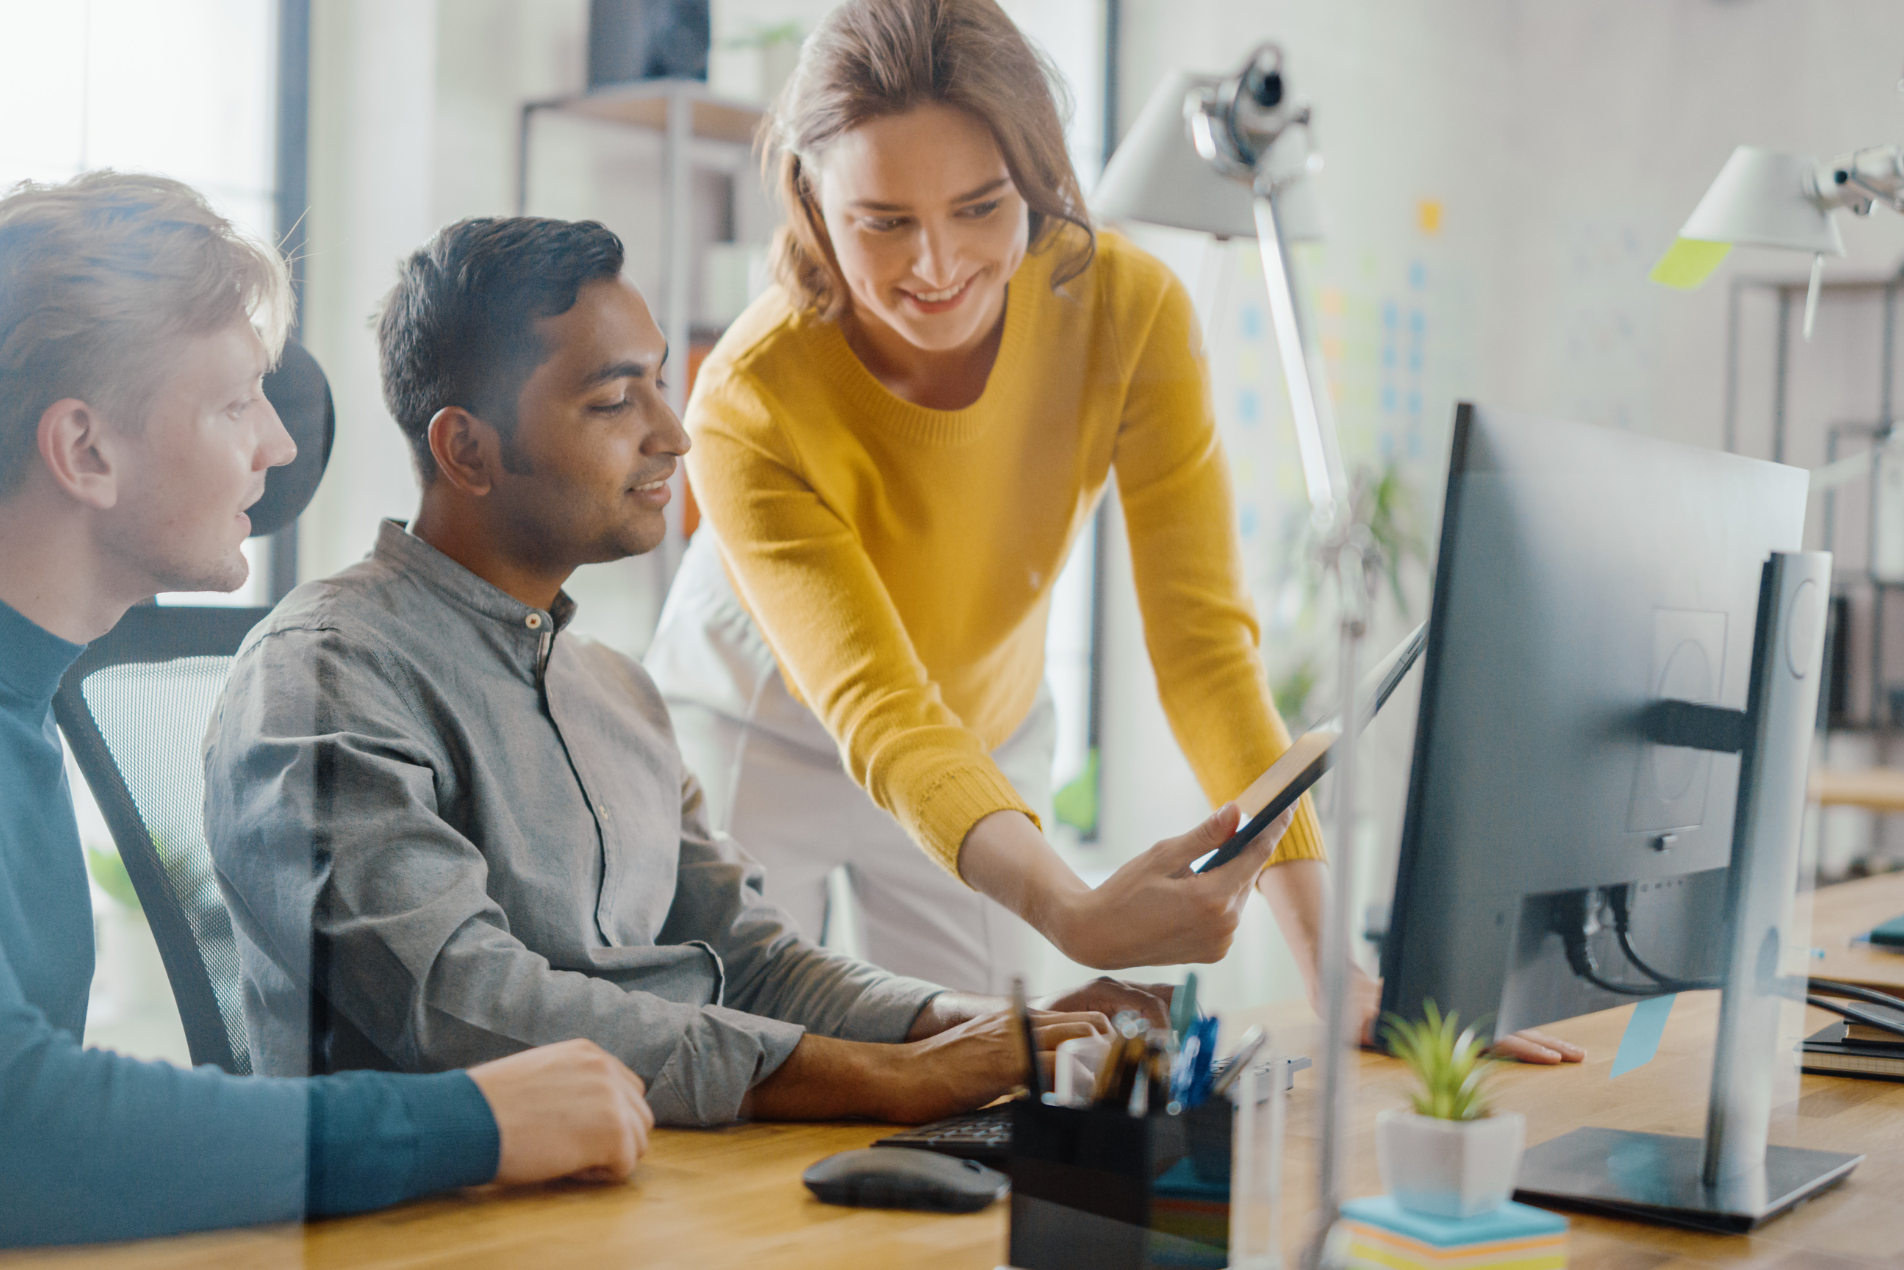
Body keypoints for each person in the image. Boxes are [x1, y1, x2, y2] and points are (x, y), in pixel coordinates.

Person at [644, 0, 1581, 1065]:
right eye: (883, 221)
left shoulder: (1126, 314)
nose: (938, 265)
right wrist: (1077, 916)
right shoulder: (747, 398)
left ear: (1038, 180)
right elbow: (881, 709)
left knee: (984, 1083)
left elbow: (1202, 652)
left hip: (981, 737)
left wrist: (1334, 973)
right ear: (810, 194)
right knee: (750, 1064)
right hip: (766, 728)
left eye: (980, 206)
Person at [204, 214, 1158, 1128]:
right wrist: (886, 1079)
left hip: (647, 1176)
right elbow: (457, 1004)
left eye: (660, 383)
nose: (675, 432)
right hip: (442, 1223)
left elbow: (751, 961)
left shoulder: (620, 693)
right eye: (616, 400)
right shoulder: (327, 675)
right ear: (467, 449)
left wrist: (962, 1026)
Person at [0, 173, 655, 1248]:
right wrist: (472, 1118)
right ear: (84, 451)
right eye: (231, 403)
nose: (279, 446)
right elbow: (20, 1129)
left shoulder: (26, 699)